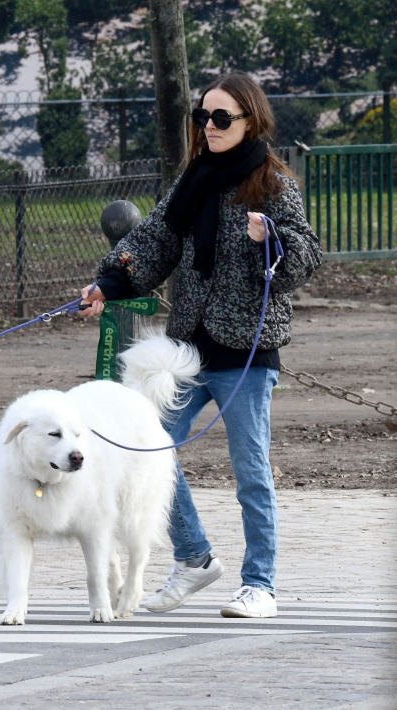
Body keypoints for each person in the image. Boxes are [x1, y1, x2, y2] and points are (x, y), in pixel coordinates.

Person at [80, 71, 322, 618]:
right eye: (202, 117)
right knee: (146, 452)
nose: (209, 127)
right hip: (186, 350)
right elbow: (154, 240)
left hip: (248, 353)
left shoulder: (275, 185)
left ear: (249, 121)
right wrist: (108, 285)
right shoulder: (193, 180)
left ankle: (260, 585)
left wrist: (273, 241)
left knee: (251, 471)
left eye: (221, 118)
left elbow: (307, 256)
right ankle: (194, 559)